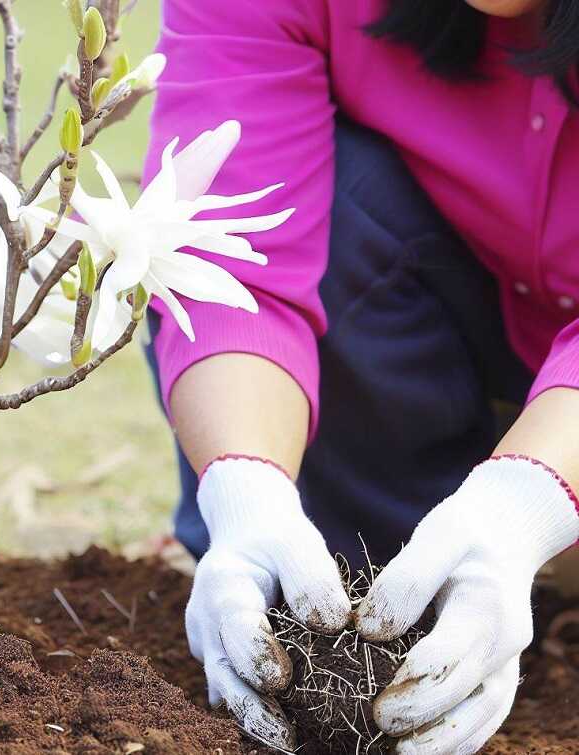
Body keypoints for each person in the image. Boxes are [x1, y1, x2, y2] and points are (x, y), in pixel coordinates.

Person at [141, 1, 579, 752]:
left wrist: (524, 508)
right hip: (452, 332)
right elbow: (230, 251)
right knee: (342, 203)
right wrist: (246, 490)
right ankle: (407, 584)